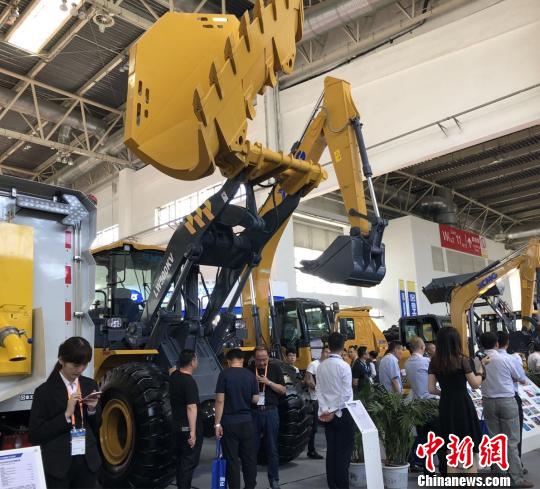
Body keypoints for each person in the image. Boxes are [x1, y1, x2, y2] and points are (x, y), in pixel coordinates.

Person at [29, 337, 101, 489]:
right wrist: (66, 415)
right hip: (58, 466)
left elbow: (96, 427)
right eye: (75, 365)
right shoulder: (44, 392)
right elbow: (35, 435)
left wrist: (92, 410)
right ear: (61, 360)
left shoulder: (90, 385)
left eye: (84, 364)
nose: (80, 370)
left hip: (88, 462)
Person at [428, 327, 486, 474]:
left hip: (446, 405)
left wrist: (445, 393)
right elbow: (475, 384)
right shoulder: (462, 360)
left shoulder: (434, 362)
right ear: (456, 342)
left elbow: (431, 389)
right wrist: (480, 369)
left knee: (451, 449)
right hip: (463, 405)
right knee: (469, 449)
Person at [480, 332, 531, 488]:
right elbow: (521, 378)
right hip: (507, 401)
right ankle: (517, 478)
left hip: (488, 402)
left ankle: (499, 474)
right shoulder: (507, 359)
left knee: (494, 439)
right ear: (497, 343)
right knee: (511, 441)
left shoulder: (478, 360)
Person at [215, 348, 259, 489]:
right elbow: (255, 399)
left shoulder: (224, 375)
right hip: (247, 422)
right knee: (249, 458)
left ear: (228, 361)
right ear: (242, 360)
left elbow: (220, 400)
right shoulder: (251, 375)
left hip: (229, 423)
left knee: (231, 460)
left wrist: (217, 424)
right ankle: (250, 486)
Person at [317, 332, 354, 489]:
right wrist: (334, 411)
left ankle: (332, 485)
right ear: (343, 346)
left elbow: (319, 391)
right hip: (342, 413)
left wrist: (326, 410)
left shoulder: (321, 366)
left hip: (326, 414)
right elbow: (346, 394)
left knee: (331, 452)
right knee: (343, 454)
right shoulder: (344, 366)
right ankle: (342, 485)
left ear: (329, 346)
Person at [250, 346, 286, 489]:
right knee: (252, 449)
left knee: (272, 448)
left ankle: (274, 480)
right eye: (259, 360)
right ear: (254, 358)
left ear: (268, 357)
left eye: (264, 359)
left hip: (271, 411)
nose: (262, 362)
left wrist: (268, 382)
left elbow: (283, 390)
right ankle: (250, 481)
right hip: (254, 412)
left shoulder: (275, 369)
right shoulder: (248, 370)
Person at [169, 349, 203, 489]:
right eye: (196, 359)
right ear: (192, 362)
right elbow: (191, 407)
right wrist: (193, 432)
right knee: (188, 463)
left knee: (180, 462)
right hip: (188, 427)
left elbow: (171, 369)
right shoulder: (189, 382)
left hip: (176, 426)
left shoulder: (174, 376)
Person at [496, 331, 526, 461]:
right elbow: (522, 379)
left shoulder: (485, 359)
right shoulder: (512, 359)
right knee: (514, 435)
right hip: (511, 398)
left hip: (489, 400)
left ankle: (498, 465)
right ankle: (516, 465)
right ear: (507, 342)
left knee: (496, 434)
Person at [304, 346, 330, 460]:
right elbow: (307, 379)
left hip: (326, 399)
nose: (327, 354)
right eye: (326, 352)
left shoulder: (329, 366)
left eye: (329, 353)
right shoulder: (314, 364)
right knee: (314, 427)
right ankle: (311, 450)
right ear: (322, 353)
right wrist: (316, 388)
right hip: (315, 399)